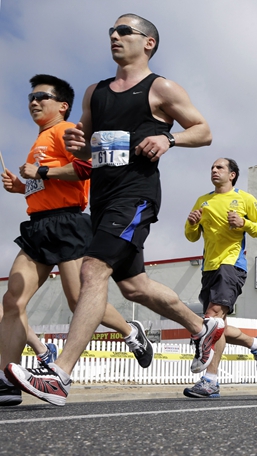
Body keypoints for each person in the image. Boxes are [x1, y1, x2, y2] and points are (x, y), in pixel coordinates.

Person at [4, 14, 224, 407]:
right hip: (102, 198)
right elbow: (87, 147)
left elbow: (203, 131)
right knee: (134, 286)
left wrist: (168, 139)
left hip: (136, 195)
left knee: (92, 269)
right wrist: (76, 144)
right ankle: (201, 326)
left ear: (149, 43)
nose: (115, 36)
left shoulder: (161, 88)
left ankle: (60, 374)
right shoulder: (95, 92)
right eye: (111, 32)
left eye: (125, 31)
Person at [0, 74, 153, 407]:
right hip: (37, 227)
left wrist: (39, 173)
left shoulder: (67, 130)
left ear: (62, 105)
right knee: (12, 302)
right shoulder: (39, 139)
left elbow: (85, 167)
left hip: (69, 223)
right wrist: (21, 186)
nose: (34, 102)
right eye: (30, 97)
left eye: (42, 96)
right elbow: (48, 185)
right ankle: (6, 382)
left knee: (76, 302)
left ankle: (129, 331)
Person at [182, 158, 257, 398]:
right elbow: (191, 236)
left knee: (212, 320)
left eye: (219, 167)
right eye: (212, 167)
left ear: (232, 175)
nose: (214, 170)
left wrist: (244, 223)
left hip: (232, 264)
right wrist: (191, 224)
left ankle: (210, 380)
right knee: (215, 326)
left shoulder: (245, 199)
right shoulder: (203, 200)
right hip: (208, 267)